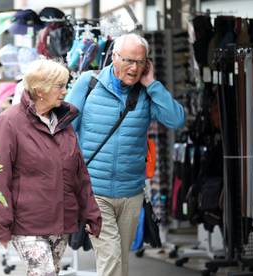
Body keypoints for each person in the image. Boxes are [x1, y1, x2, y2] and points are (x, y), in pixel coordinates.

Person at [66, 33, 185, 276]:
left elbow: (177, 119)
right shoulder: (89, 83)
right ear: (114, 57)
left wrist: (152, 84)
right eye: (129, 61)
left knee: (120, 260)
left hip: (130, 194)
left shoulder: (147, 93)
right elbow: (64, 129)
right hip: (95, 192)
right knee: (111, 257)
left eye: (140, 62)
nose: (134, 68)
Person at [0, 59, 102, 275]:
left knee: (51, 272)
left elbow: (80, 175)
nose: (65, 91)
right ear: (40, 90)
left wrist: (91, 213)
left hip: (60, 221)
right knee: (45, 271)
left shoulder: (64, 123)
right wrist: (1, 225)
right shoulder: (9, 122)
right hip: (27, 224)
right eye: (60, 86)